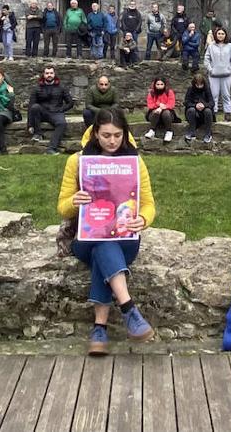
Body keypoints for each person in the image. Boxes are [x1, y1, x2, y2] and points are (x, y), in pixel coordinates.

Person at [59, 107, 157, 355]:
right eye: (106, 135)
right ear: (95, 134)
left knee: (103, 250)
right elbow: (62, 207)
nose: (112, 141)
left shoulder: (134, 161)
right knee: (101, 243)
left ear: (125, 133)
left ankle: (100, 328)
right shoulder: (77, 161)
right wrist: (74, 202)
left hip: (125, 237)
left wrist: (143, 219)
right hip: (85, 238)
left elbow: (148, 204)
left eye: (117, 135)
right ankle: (128, 309)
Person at [28, 65, 74, 154]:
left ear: (54, 74)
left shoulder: (61, 87)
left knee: (62, 123)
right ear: (43, 74)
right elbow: (31, 106)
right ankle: (38, 134)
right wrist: (30, 125)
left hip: (56, 112)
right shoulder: (37, 88)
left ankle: (51, 148)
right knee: (35, 107)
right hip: (42, 112)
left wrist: (61, 109)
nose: (49, 75)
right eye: (47, 73)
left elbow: (70, 103)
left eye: (51, 73)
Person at [203, 26, 231, 122]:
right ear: (216, 35)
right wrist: (210, 69)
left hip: (226, 75)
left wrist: (230, 69)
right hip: (214, 75)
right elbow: (206, 59)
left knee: (226, 94)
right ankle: (213, 113)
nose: (221, 35)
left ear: (225, 35)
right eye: (219, 34)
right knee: (214, 94)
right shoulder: (211, 46)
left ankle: (228, 113)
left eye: (222, 34)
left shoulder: (230, 46)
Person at [143, 77, 177, 143]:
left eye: (161, 84)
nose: (159, 86)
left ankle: (169, 131)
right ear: (155, 85)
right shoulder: (151, 93)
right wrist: (158, 106)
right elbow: (150, 105)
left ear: (164, 85)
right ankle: (152, 130)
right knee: (156, 112)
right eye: (158, 84)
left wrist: (162, 107)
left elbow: (171, 104)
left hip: (167, 114)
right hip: (154, 114)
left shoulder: (169, 92)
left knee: (166, 113)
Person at [184, 72, 215, 143]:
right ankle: (191, 132)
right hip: (193, 112)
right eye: (197, 85)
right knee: (191, 110)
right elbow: (186, 102)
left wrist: (204, 105)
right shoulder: (190, 89)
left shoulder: (207, 89)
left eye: (201, 84)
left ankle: (208, 133)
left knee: (208, 111)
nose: (199, 86)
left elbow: (212, 102)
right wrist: (195, 105)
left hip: (205, 113)